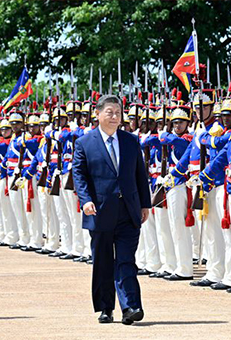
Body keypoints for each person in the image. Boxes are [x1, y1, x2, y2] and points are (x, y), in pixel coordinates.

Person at [72, 94, 151, 325]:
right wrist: (85, 200)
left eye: (118, 112)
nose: (115, 117)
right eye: (110, 112)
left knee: (126, 259)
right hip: (99, 211)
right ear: (97, 114)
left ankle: (131, 306)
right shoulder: (84, 143)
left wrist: (145, 203)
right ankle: (105, 307)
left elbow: (140, 174)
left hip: (128, 210)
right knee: (103, 261)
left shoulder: (130, 141)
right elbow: (79, 175)